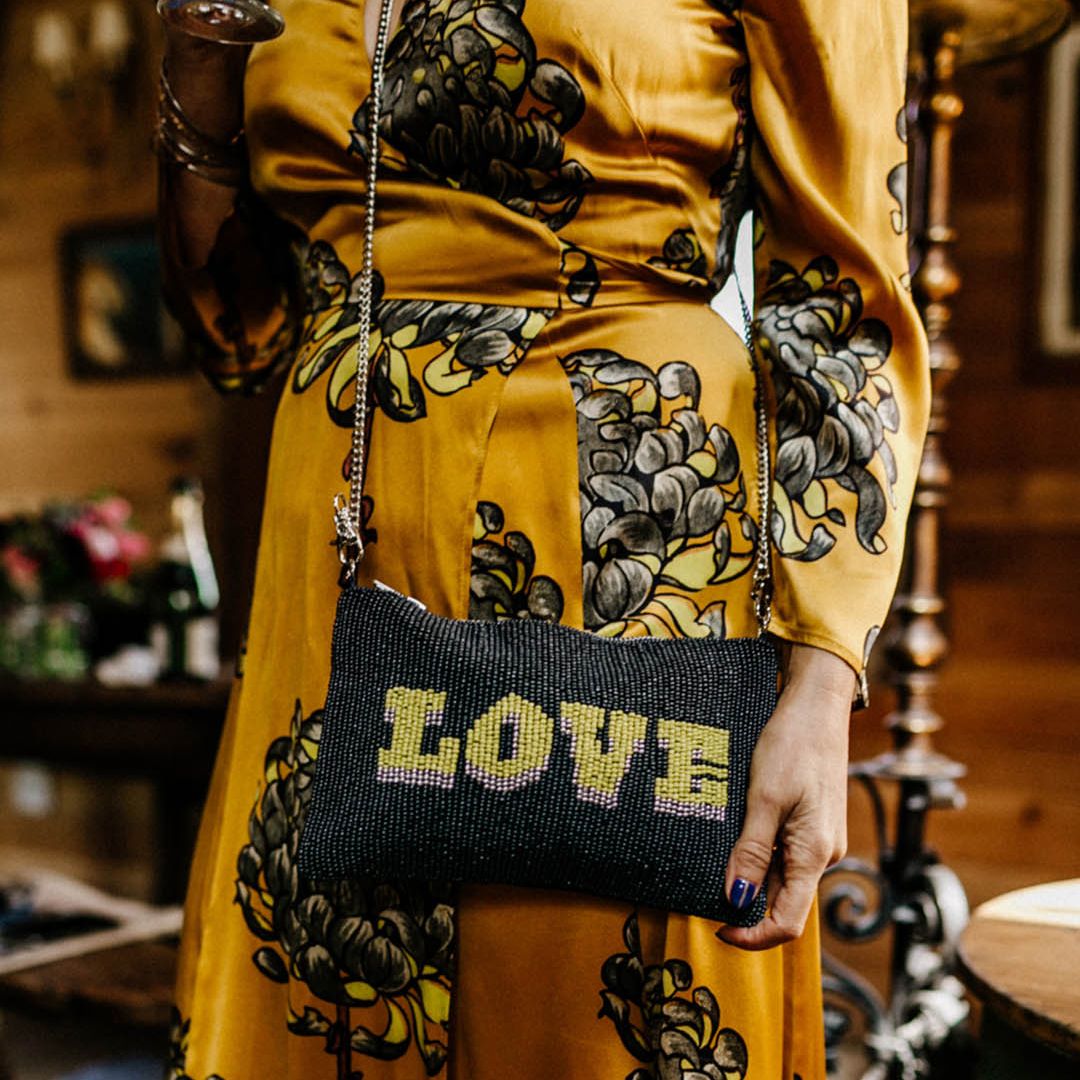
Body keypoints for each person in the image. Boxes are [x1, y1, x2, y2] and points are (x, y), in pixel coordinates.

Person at [159, 1, 928, 1077]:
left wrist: (822, 676)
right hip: (337, 543)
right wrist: (197, 75)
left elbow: (840, 300)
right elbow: (242, 340)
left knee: (588, 1011)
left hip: (623, 539)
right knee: (329, 991)